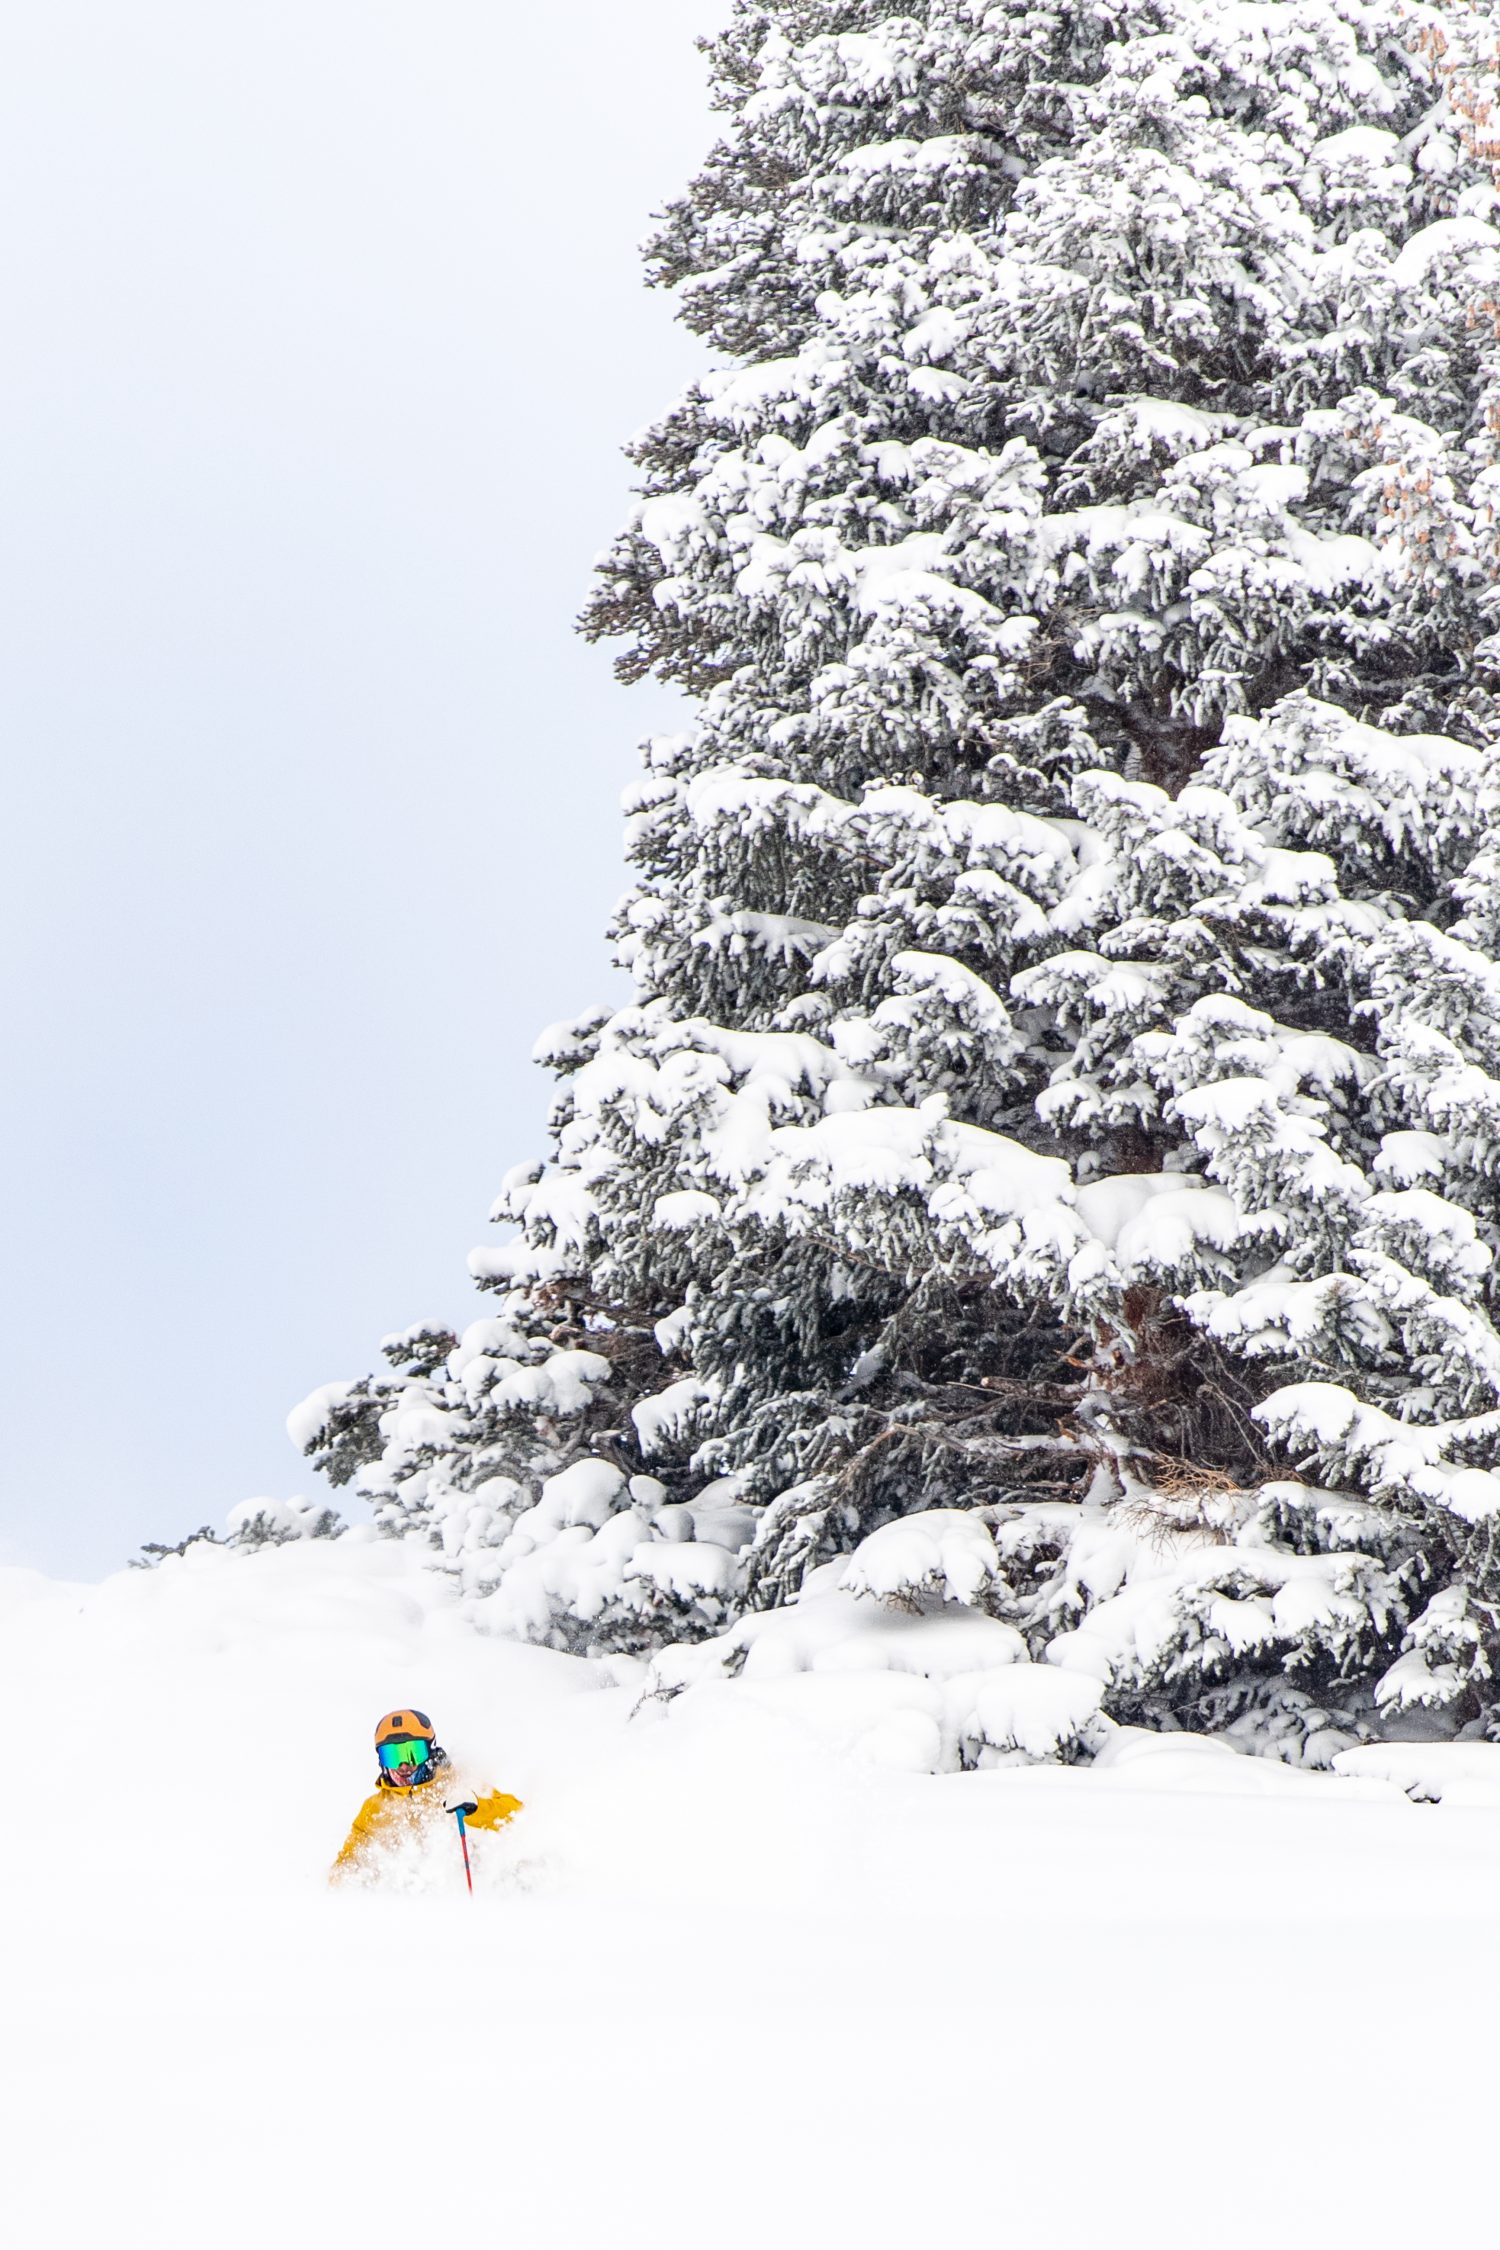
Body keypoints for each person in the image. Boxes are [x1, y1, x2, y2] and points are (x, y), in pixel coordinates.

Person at [330, 1708, 523, 1885]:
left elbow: (516, 1813)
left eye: (413, 1753)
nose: (403, 1766)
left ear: (430, 1751)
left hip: (469, 1887)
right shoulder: (375, 1808)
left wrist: (477, 1808)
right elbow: (347, 1864)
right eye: (392, 1756)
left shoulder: (458, 1783)